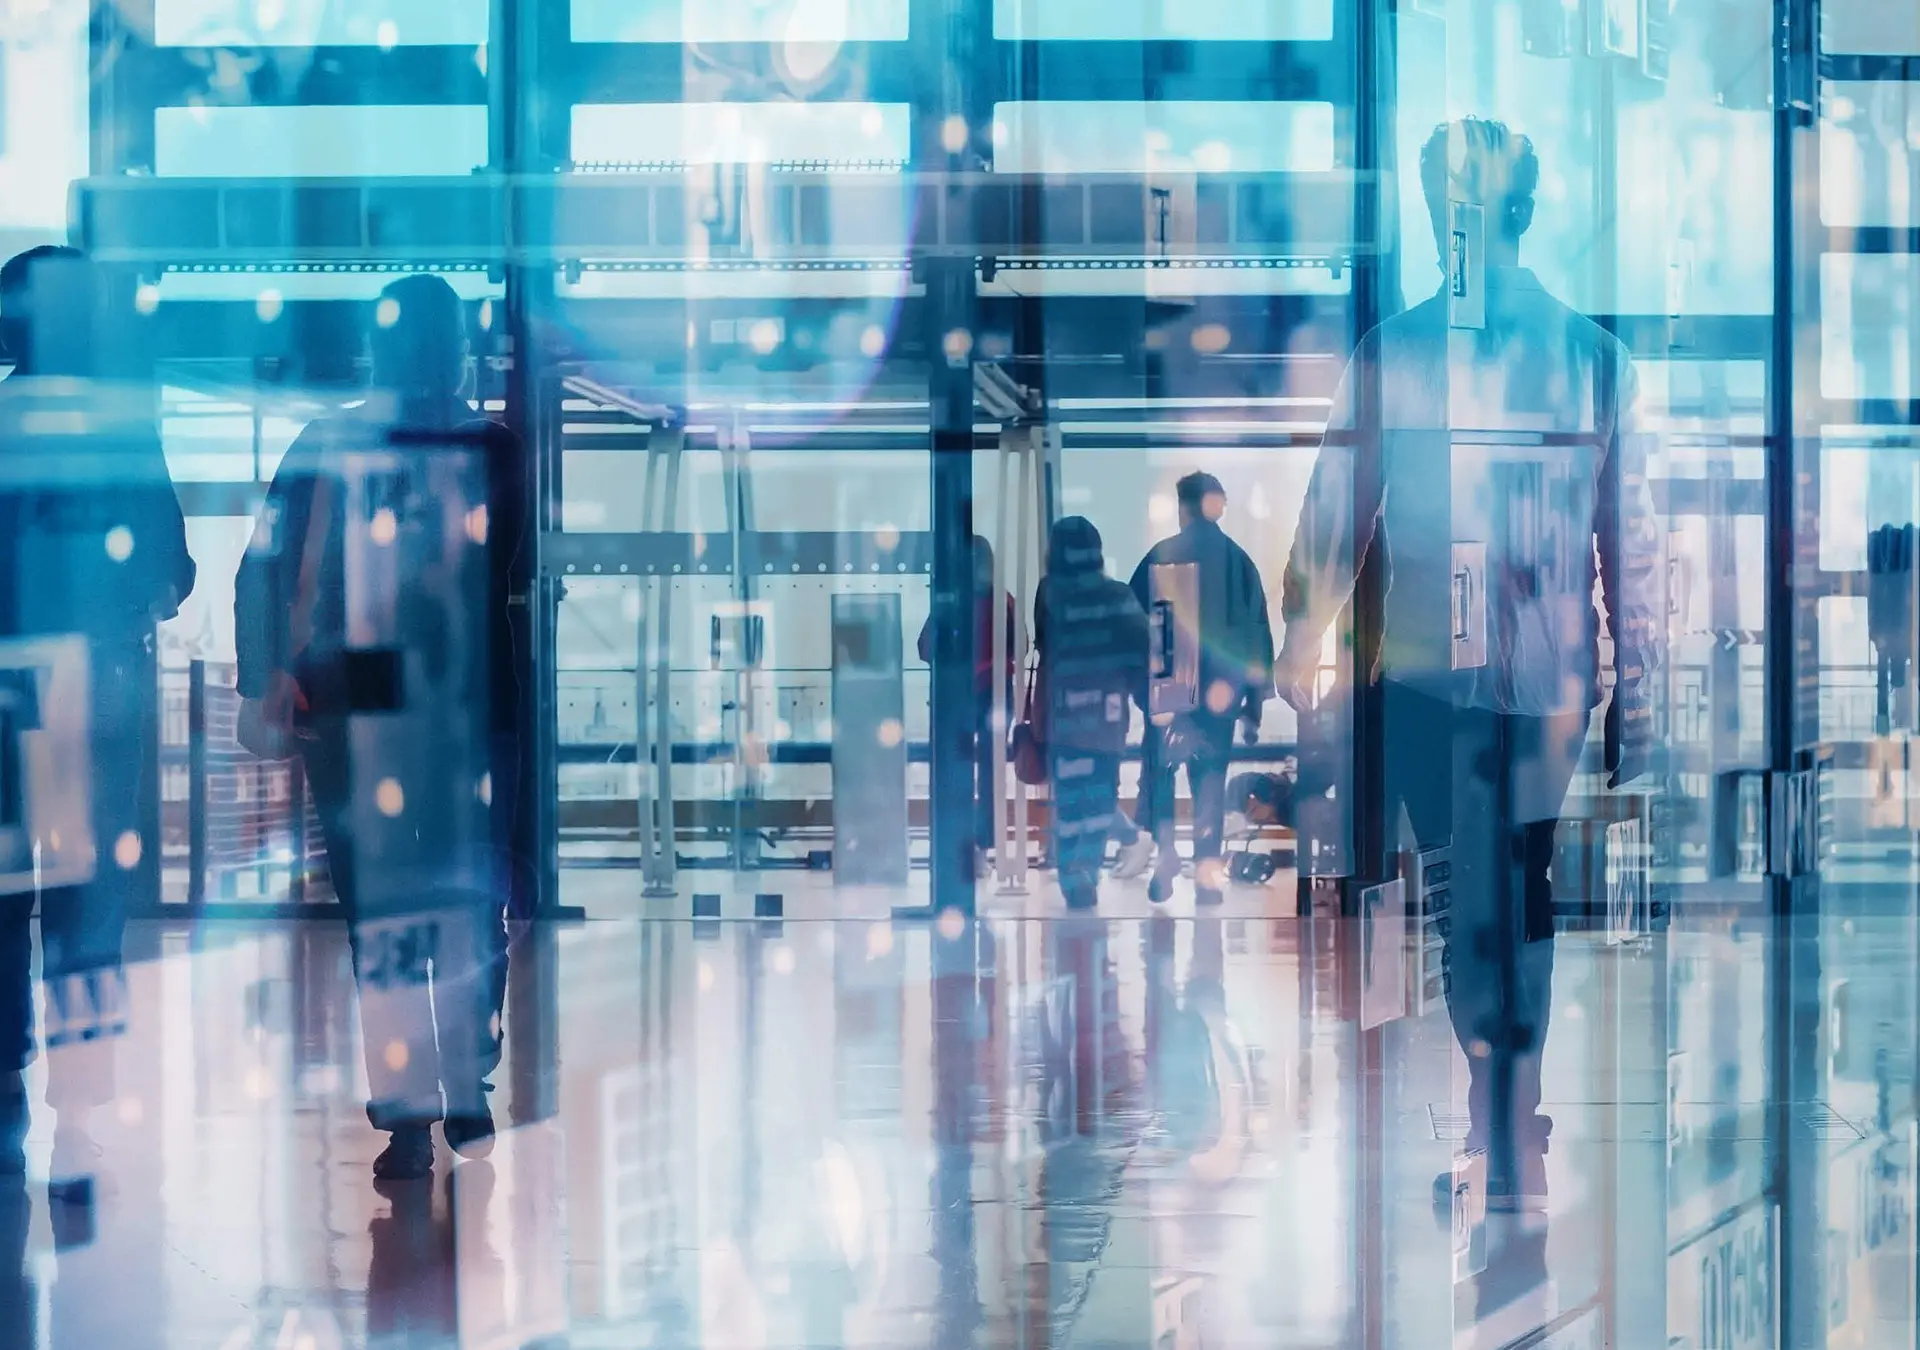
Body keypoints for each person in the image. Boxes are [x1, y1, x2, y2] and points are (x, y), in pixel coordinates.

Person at [1275, 118, 1664, 1210]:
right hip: (1543, 684)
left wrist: (1303, 640)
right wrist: (1639, 677)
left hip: (1434, 682)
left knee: (1468, 907)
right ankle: (1511, 1131)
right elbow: (1628, 551)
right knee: (1513, 900)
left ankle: (1505, 1132)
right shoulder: (1595, 360)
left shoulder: (1395, 353)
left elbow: (1333, 517)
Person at [234, 274, 522, 1182]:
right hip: (463, 706)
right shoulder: (491, 448)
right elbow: (508, 563)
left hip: (368, 708)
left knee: (392, 916)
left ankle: (416, 1112)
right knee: (468, 903)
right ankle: (453, 1087)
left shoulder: (332, 443)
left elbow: (261, 568)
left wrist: (270, 675)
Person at [0, 246, 195, 1193]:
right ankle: (78, 1114)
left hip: (5, 703)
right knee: (91, 918)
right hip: (104, 697)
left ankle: (5, 1094)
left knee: (4, 908)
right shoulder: (123, 429)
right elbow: (173, 569)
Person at [1129, 472, 1275, 905]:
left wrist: (1142, 691)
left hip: (1172, 686)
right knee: (1209, 779)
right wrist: (1253, 705)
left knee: (1161, 773)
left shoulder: (1161, 555)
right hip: (1220, 692)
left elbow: (1134, 623)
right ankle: (1207, 876)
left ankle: (1167, 855)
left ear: (1182, 506)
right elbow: (1256, 636)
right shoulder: (1238, 561)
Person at [1032, 517, 1148, 909]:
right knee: (1100, 795)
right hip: (1106, 715)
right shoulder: (1118, 595)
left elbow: (1045, 644)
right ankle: (1084, 872)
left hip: (1063, 713)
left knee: (1068, 796)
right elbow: (1142, 645)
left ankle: (1071, 877)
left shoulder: (1048, 592)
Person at [917, 536, 1017, 875]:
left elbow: (924, 647)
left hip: (959, 698)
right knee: (990, 774)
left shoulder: (950, 602)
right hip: (995, 695)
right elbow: (1020, 645)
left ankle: (958, 844)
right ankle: (979, 846)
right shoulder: (1003, 600)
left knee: (956, 772)